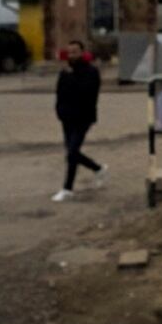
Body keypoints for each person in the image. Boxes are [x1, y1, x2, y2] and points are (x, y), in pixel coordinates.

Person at [53, 40, 106, 202]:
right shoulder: (65, 72)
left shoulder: (91, 71)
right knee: (71, 153)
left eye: (75, 52)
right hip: (67, 118)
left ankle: (67, 188)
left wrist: (72, 76)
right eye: (70, 52)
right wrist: (59, 111)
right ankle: (98, 168)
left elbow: (87, 92)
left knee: (72, 152)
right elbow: (59, 93)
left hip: (83, 117)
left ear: (82, 52)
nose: (72, 55)